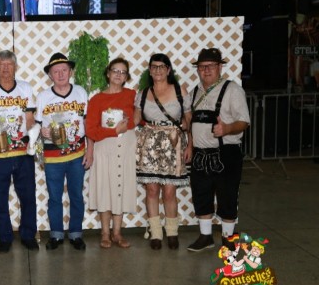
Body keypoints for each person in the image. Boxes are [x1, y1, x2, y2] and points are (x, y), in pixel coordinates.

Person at [186, 48, 250, 252]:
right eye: (202, 67)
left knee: (227, 195)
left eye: (211, 66)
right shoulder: (194, 92)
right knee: (201, 194)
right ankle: (205, 237)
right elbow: (188, 123)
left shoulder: (232, 89)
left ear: (219, 67)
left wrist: (227, 129)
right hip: (200, 154)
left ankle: (228, 238)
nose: (206, 70)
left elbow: (244, 122)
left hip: (227, 153)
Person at [0, 50, 38, 253]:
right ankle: (4, 237)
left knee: (28, 195)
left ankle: (28, 235)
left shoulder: (26, 87)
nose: (5, 68)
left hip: (22, 152)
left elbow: (30, 118)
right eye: (1, 64)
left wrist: (26, 135)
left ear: (15, 67)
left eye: (9, 65)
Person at [133, 53, 192, 250]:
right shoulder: (142, 93)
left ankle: (172, 232)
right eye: (154, 67)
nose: (158, 70)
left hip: (173, 144)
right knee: (151, 189)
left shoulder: (179, 90)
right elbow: (134, 120)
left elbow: (188, 121)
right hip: (149, 144)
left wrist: (190, 144)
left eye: (162, 66)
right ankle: (156, 233)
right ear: (149, 70)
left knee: (169, 191)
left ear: (168, 70)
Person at [35, 53, 93, 251]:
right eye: (55, 71)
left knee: (76, 195)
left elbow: (88, 124)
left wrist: (90, 150)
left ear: (70, 71)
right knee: (54, 197)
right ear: (50, 75)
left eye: (64, 70)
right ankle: (56, 235)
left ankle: (76, 233)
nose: (60, 74)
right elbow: (36, 126)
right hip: (52, 156)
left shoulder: (81, 92)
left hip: (77, 153)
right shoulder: (43, 96)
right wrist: (41, 132)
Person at [86, 57, 137, 249]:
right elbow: (91, 130)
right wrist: (113, 131)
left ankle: (117, 233)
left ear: (126, 77)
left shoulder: (133, 95)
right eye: (115, 70)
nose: (118, 75)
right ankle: (105, 233)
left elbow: (137, 120)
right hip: (104, 148)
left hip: (125, 149)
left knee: (120, 188)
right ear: (108, 73)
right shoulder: (97, 99)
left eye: (123, 72)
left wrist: (127, 124)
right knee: (105, 189)